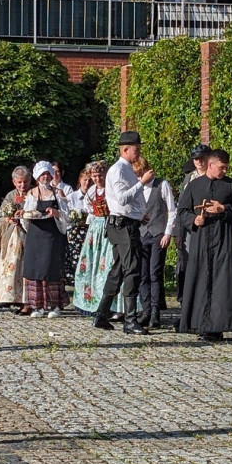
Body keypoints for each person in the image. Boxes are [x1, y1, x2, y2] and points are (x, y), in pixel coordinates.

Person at [177, 149, 232, 341]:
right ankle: (200, 324)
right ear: (210, 165)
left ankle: (218, 326)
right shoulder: (194, 185)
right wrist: (194, 220)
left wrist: (224, 209)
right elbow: (183, 211)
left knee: (222, 283)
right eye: (221, 167)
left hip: (224, 241)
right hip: (201, 242)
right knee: (201, 280)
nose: (224, 171)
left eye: (226, 167)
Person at [93, 131, 153, 334]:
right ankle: (130, 320)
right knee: (132, 269)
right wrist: (142, 183)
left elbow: (128, 203)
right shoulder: (119, 170)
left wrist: (139, 214)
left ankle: (101, 315)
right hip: (122, 226)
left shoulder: (125, 170)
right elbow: (122, 198)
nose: (139, 152)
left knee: (118, 269)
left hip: (126, 223)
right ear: (125, 149)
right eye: (136, 149)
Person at [73, 161, 126, 317]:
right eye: (94, 176)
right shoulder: (91, 191)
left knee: (110, 264)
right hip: (96, 228)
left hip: (110, 225)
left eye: (100, 176)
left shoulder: (111, 188)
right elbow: (88, 207)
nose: (97, 179)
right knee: (92, 263)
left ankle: (114, 305)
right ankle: (92, 302)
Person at [21, 160, 70, 317]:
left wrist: (56, 213)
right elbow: (27, 216)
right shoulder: (31, 194)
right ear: (37, 176)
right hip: (35, 235)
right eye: (42, 174)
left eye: (48, 173)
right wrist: (22, 215)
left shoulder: (58, 193)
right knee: (36, 269)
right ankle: (37, 306)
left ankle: (55, 305)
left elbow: (67, 217)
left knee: (51, 268)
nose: (45, 177)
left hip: (52, 235)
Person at [134, 155, 176, 329]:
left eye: (140, 174)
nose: (139, 178)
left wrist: (168, 233)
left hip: (158, 233)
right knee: (142, 275)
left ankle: (155, 312)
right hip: (142, 235)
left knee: (155, 273)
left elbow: (172, 210)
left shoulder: (162, 185)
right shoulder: (136, 189)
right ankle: (146, 310)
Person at [175, 143, 212, 300]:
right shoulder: (188, 178)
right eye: (196, 159)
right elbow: (181, 206)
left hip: (208, 225)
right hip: (189, 225)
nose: (199, 162)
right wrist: (177, 232)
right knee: (187, 262)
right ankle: (186, 301)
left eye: (202, 158)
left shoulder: (213, 177)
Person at [0, 165, 31, 310]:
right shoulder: (10, 195)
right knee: (10, 266)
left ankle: (23, 299)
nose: (22, 185)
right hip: (11, 237)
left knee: (23, 267)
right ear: (14, 182)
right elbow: (0, 215)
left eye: (25, 182)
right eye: (19, 182)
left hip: (26, 235)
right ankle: (7, 296)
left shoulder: (34, 193)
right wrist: (8, 219)